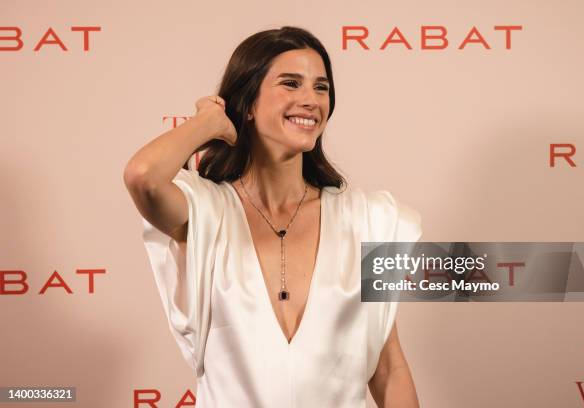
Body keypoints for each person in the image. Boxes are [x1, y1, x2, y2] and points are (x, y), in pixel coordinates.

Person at [123, 26, 422, 408]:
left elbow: (389, 367)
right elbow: (142, 176)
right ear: (247, 103)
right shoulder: (205, 212)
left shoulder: (366, 220)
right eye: (291, 83)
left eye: (321, 87)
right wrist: (209, 122)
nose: (310, 100)